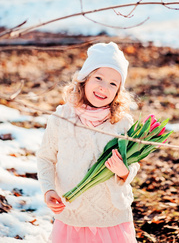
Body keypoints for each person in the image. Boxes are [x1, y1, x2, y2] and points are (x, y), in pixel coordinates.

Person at [37, 42, 140, 243]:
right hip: (72, 213)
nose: (104, 87)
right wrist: (49, 189)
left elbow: (134, 162)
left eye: (113, 83)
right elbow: (46, 157)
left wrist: (124, 171)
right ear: (84, 79)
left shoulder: (121, 124)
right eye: (98, 78)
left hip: (110, 216)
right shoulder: (62, 118)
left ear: (119, 91)